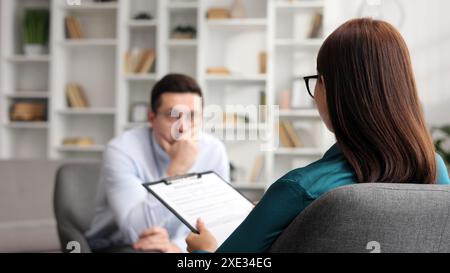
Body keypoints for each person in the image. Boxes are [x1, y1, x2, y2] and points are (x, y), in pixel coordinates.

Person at [185, 18, 450, 253]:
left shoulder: (298, 190)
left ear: (334, 89)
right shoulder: (434, 170)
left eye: (317, 79)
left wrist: (204, 250)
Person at [85, 74, 230, 253]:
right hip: (121, 246)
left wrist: (176, 246)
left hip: (181, 247)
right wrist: (177, 170)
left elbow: (219, 220)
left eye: (192, 116)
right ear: (152, 118)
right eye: (172, 115)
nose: (182, 128)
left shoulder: (214, 151)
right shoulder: (121, 150)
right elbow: (137, 232)